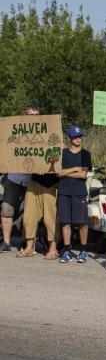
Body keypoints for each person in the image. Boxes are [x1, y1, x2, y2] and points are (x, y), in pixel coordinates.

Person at [1, 105, 40, 252]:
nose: (34, 118)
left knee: (31, 213)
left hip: (33, 179)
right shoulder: (14, 130)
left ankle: (27, 242)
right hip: (14, 176)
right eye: (31, 115)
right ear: (24, 116)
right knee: (6, 209)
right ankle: (6, 242)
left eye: (36, 116)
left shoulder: (44, 133)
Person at [56, 125, 93, 263]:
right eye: (75, 136)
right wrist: (74, 169)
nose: (78, 139)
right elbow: (58, 173)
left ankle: (83, 251)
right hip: (64, 192)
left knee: (82, 222)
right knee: (65, 222)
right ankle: (66, 251)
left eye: (79, 136)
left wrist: (66, 172)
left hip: (79, 192)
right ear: (69, 137)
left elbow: (83, 175)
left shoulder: (86, 154)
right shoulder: (62, 153)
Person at [18, 147, 60, 260]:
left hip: (51, 183)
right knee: (29, 216)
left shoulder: (60, 148)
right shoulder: (38, 143)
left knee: (50, 219)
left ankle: (53, 249)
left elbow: (60, 169)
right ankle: (29, 248)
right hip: (34, 181)